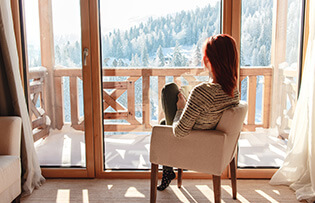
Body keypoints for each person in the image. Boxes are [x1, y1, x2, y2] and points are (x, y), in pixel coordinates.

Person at [157, 34, 240, 191]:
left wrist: (181, 108)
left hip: (192, 144)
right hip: (215, 143)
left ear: (209, 61)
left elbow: (180, 132)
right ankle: (168, 172)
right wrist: (191, 106)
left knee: (169, 91)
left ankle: (167, 171)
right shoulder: (234, 91)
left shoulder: (202, 92)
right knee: (165, 120)